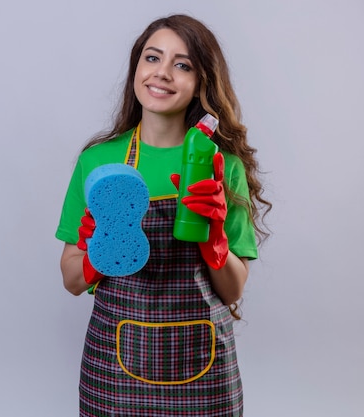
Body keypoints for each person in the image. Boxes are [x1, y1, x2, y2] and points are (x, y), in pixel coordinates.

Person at [55, 14, 271, 417]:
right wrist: (98, 252)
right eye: (153, 58)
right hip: (115, 364)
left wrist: (214, 237)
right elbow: (70, 280)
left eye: (183, 64)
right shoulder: (98, 162)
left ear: (200, 83)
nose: (163, 73)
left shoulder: (221, 166)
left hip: (204, 364)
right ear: (137, 67)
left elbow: (232, 290)